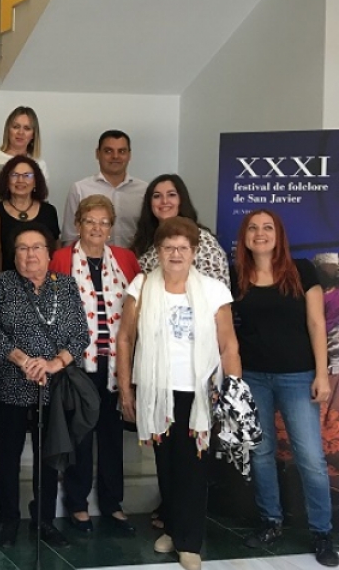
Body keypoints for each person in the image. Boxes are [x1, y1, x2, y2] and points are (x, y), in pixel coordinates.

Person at [117, 217, 242, 570]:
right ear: (158, 251)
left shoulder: (214, 290)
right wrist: (125, 389)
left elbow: (229, 345)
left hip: (199, 394)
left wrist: (234, 392)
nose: (175, 253)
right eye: (168, 247)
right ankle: (173, 528)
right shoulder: (142, 285)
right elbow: (125, 338)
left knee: (193, 468)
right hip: (156, 392)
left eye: (183, 248)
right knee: (166, 465)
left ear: (194, 252)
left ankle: (189, 543)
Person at [231, 210, 338, 566]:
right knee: (261, 453)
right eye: (253, 228)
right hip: (252, 377)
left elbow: (316, 323)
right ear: (244, 236)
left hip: (298, 376)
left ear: (279, 235)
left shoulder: (302, 270)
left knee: (310, 458)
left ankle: (322, 532)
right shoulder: (236, 276)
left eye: (267, 228)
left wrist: (321, 374)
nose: (260, 233)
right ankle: (271, 521)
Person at [0, 222, 89, 549]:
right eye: (22, 248)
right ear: (14, 254)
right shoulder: (1, 284)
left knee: (48, 456)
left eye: (36, 248)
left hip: (54, 388)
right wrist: (23, 361)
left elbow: (80, 335)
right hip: (11, 383)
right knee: (8, 454)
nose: (30, 254)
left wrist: (53, 364)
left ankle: (44, 520)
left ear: (49, 254)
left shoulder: (66, 285)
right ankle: (8, 519)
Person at [50, 195, 140, 535]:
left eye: (104, 222)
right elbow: (52, 309)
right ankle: (77, 504)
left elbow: (138, 308)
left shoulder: (126, 259)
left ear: (111, 228)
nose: (97, 228)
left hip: (116, 364)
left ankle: (112, 504)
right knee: (81, 435)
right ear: (78, 225)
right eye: (90, 221)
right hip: (77, 364)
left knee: (112, 436)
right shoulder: (62, 258)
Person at [131, 174, 229, 286]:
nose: (164, 201)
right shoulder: (146, 241)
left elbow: (216, 289)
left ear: (181, 200)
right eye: (157, 196)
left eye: (171, 195)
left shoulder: (201, 240)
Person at [62, 130, 149, 248]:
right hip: (89, 258)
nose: (115, 156)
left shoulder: (144, 190)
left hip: (134, 258)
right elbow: (70, 237)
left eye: (122, 151)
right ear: (97, 154)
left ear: (129, 155)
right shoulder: (79, 189)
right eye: (108, 151)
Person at [0, 155, 60, 273]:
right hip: (5, 278)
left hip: (43, 278)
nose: (20, 180)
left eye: (27, 175)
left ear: (35, 182)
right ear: (6, 181)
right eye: (14, 175)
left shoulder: (48, 211)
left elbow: (55, 248)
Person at [0, 107, 48, 192]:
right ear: (8, 130)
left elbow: (40, 195)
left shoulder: (39, 164)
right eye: (16, 127)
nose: (20, 132)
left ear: (33, 135)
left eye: (27, 128)